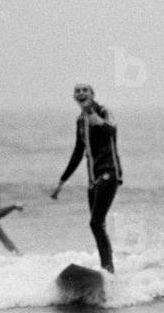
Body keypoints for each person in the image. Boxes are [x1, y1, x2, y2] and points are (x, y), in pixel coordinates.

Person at [50, 84, 123, 273]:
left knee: (95, 223)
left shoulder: (103, 111)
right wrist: (62, 181)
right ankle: (108, 270)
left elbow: (112, 131)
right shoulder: (80, 120)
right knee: (98, 225)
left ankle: (108, 269)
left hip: (109, 171)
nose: (81, 93)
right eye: (77, 91)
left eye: (85, 90)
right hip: (93, 179)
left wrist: (97, 119)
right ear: (74, 96)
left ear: (92, 94)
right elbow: (78, 152)